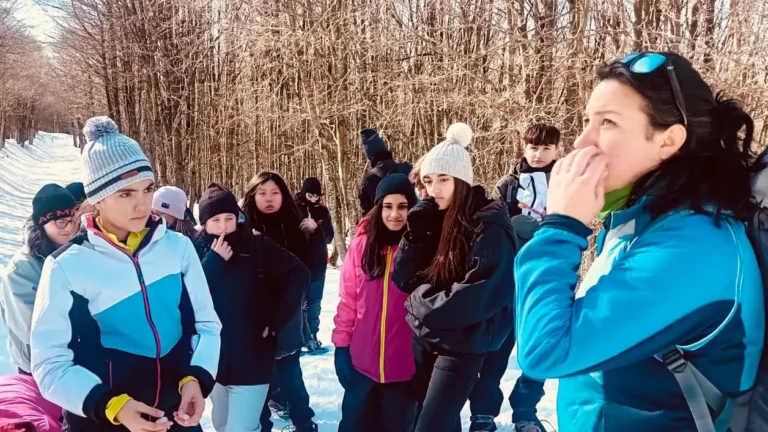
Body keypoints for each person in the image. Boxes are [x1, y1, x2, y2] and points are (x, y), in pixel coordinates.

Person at [515, 52, 765, 431]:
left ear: (670, 140)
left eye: (608, 123)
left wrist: (561, 226)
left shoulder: (693, 249)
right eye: (587, 121)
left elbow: (544, 351)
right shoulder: (644, 219)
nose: (582, 141)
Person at [30, 116, 222, 432]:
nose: (142, 204)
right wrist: (112, 406)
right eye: (125, 194)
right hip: (102, 419)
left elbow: (206, 325)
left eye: (147, 189)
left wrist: (196, 378)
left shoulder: (179, 248)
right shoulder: (66, 266)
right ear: (97, 199)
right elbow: (50, 365)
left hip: (175, 416)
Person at [391, 123, 518, 432]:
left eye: (444, 180)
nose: (434, 189)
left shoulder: (488, 225)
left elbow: (480, 294)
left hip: (463, 344)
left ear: (461, 181)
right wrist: (416, 234)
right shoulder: (434, 218)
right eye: (428, 181)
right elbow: (403, 278)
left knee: (430, 426)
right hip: (427, 338)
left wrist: (419, 306)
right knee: (430, 419)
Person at [194, 183, 308, 432]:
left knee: (241, 429)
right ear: (204, 223)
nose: (223, 226)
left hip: (253, 358)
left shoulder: (256, 246)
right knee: (222, 425)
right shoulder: (195, 250)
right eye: (215, 220)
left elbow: (299, 273)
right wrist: (212, 263)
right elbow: (188, 296)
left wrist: (277, 319)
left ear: (238, 218)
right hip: (214, 359)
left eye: (229, 218)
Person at [332, 174, 419, 432]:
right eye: (388, 206)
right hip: (362, 365)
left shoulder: (420, 249)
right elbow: (348, 299)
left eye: (403, 207)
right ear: (378, 208)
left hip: (405, 368)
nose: (395, 214)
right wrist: (341, 346)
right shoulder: (361, 246)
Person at [242, 171, 319, 432]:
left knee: (290, 373)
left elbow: (313, 269)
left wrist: (315, 236)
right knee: (259, 379)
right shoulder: (242, 229)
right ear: (252, 196)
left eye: (275, 192)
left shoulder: (295, 224)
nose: (269, 199)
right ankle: (261, 425)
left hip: (287, 312)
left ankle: (304, 423)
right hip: (253, 316)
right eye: (262, 193)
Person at [1, 184, 78, 376]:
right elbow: (32, 328)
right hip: (38, 366)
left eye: (73, 220)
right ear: (43, 224)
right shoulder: (22, 268)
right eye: (60, 222)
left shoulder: (78, 252)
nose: (69, 228)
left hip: (80, 360)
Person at [294, 177, 333, 353]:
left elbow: (329, 236)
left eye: (316, 196)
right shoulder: (294, 208)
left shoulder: (322, 211)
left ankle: (312, 336)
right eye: (310, 195)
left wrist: (316, 229)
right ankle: (300, 337)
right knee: (299, 303)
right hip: (299, 263)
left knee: (315, 303)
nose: (313, 199)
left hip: (318, 264)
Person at [494, 123, 560, 219]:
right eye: (534, 148)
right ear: (525, 149)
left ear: (556, 151)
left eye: (546, 148)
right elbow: (492, 223)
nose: (539, 155)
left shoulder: (565, 183)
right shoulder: (507, 185)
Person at [358, 129, 412, 215]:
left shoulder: (368, 179)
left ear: (369, 156)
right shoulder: (408, 169)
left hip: (380, 225)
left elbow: (366, 212)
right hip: (410, 222)